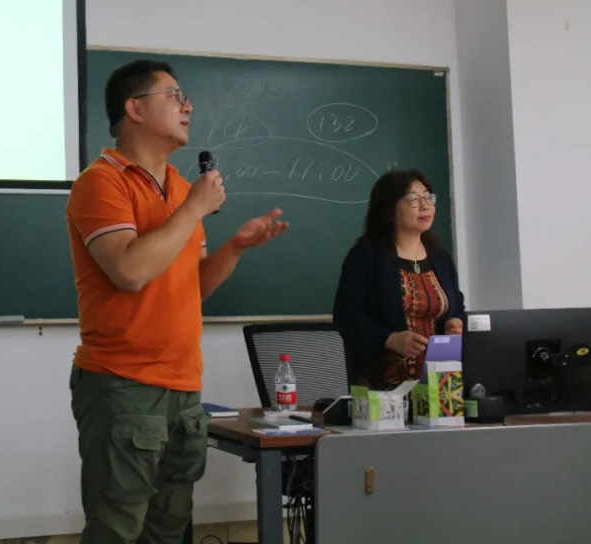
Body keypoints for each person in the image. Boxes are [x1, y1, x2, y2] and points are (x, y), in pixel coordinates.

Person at [64, 59, 288, 544]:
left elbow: (194, 287)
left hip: (184, 386)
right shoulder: (102, 182)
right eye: (174, 96)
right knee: (115, 531)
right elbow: (129, 271)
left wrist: (235, 247)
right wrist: (194, 209)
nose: (188, 107)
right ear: (135, 109)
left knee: (168, 530)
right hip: (123, 384)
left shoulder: (184, 190)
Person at [332, 169, 467, 390]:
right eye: (414, 199)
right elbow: (345, 316)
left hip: (440, 386)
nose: (425, 206)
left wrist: (456, 322)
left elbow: (457, 305)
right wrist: (389, 339)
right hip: (383, 389)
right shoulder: (366, 255)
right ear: (390, 210)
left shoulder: (439, 256)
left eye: (428, 197)